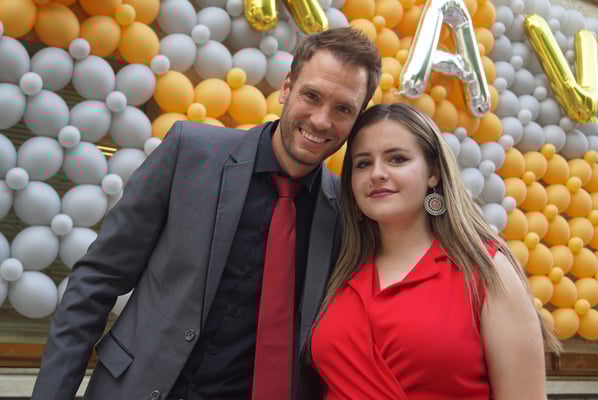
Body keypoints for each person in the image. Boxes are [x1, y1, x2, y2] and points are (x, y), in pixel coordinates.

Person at [32, 26, 381, 400]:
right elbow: (97, 280)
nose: (322, 120)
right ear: (286, 87)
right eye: (311, 96)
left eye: (343, 109)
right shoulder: (190, 151)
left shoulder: (348, 213)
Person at [310, 103, 561, 400]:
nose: (376, 173)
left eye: (397, 159)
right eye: (363, 163)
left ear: (433, 172)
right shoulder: (337, 267)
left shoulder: (486, 269)